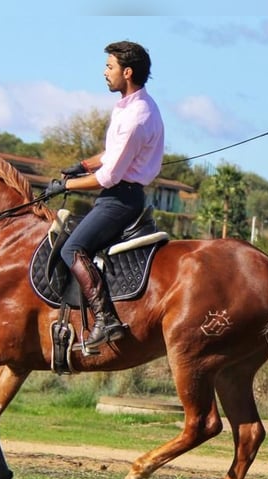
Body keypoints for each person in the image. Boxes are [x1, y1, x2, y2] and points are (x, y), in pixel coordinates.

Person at [44, 40, 165, 351]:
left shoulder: (136, 116)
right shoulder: (128, 106)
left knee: (72, 248)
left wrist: (66, 187)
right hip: (118, 195)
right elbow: (111, 155)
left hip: (120, 199)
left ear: (127, 72)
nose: (104, 72)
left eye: (109, 67)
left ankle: (105, 318)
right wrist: (81, 165)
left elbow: (108, 176)